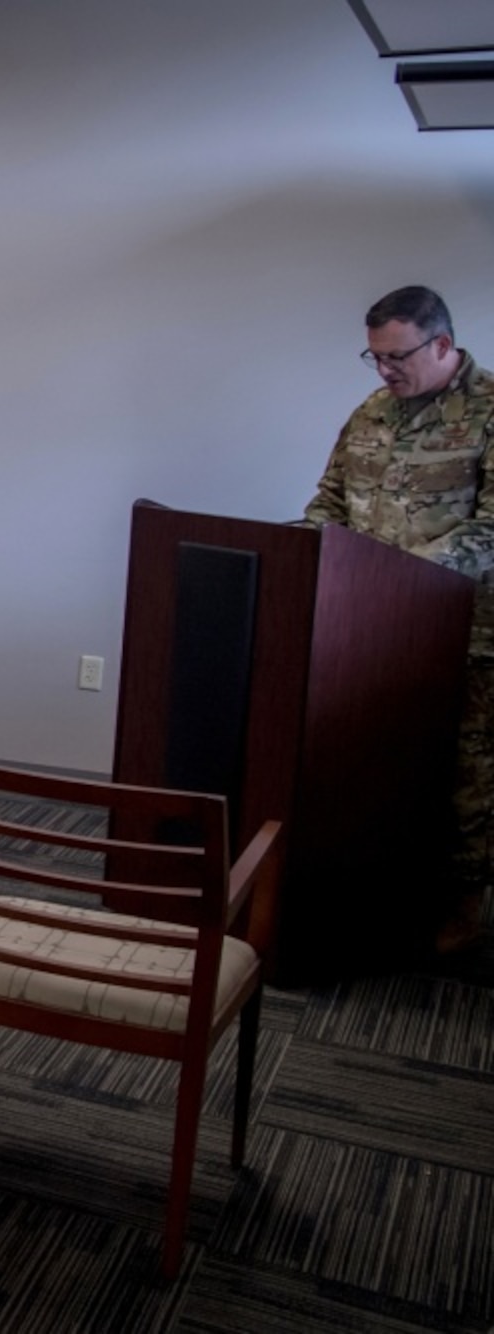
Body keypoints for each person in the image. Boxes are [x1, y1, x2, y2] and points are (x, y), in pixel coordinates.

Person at [304, 284, 494, 951]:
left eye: (396, 356)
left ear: (441, 345)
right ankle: (374, 894)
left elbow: (493, 526)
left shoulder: (491, 409)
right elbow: (328, 503)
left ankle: (463, 905)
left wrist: (406, 584)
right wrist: (310, 556)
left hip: (466, 633)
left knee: (464, 772)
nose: (383, 371)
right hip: (361, 630)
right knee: (371, 765)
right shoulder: (372, 412)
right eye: (373, 357)